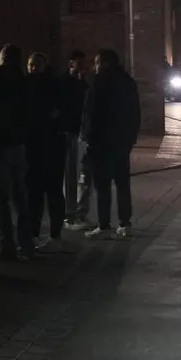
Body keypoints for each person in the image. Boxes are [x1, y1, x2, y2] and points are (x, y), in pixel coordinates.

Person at [0, 44, 33, 261]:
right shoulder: (24, 83)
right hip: (19, 143)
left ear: (3, 58)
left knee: (2, 198)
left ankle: (8, 246)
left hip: (0, 143)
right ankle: (27, 245)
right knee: (21, 197)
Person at [83, 48, 141, 239]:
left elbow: (91, 115)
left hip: (101, 143)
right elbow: (135, 114)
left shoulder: (98, 84)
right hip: (121, 142)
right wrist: (131, 138)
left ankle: (104, 224)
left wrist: (88, 138)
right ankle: (125, 223)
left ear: (106, 63)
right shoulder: (127, 82)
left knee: (103, 185)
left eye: (97, 62)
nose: (95, 66)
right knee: (122, 183)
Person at [24, 52, 68, 251]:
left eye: (35, 65)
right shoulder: (55, 84)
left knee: (41, 193)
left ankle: (42, 234)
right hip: (49, 146)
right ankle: (51, 235)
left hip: (42, 145)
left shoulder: (35, 86)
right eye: (31, 65)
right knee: (48, 193)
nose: (33, 68)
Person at [61, 51, 92, 230]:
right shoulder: (65, 83)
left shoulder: (83, 84)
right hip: (71, 133)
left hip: (81, 133)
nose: (82, 67)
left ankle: (79, 213)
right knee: (71, 175)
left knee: (84, 175)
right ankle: (70, 214)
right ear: (71, 64)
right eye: (78, 63)